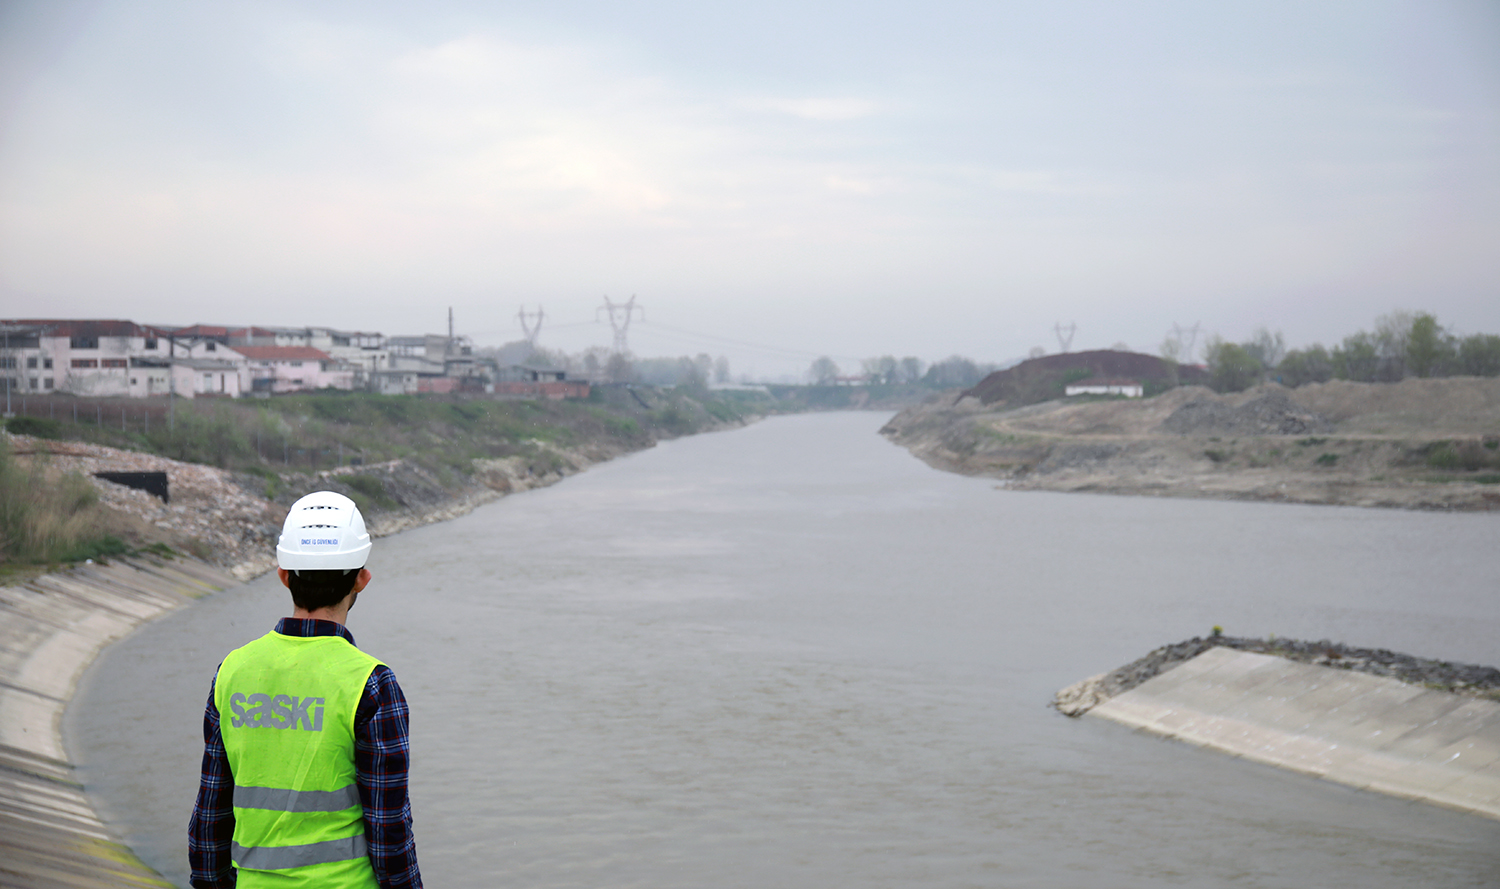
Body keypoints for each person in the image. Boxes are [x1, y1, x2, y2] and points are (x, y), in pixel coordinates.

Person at [189, 491, 422, 888]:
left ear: (283, 575)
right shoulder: (372, 684)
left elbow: (210, 815)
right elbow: (389, 833)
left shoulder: (232, 671)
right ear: (362, 579)